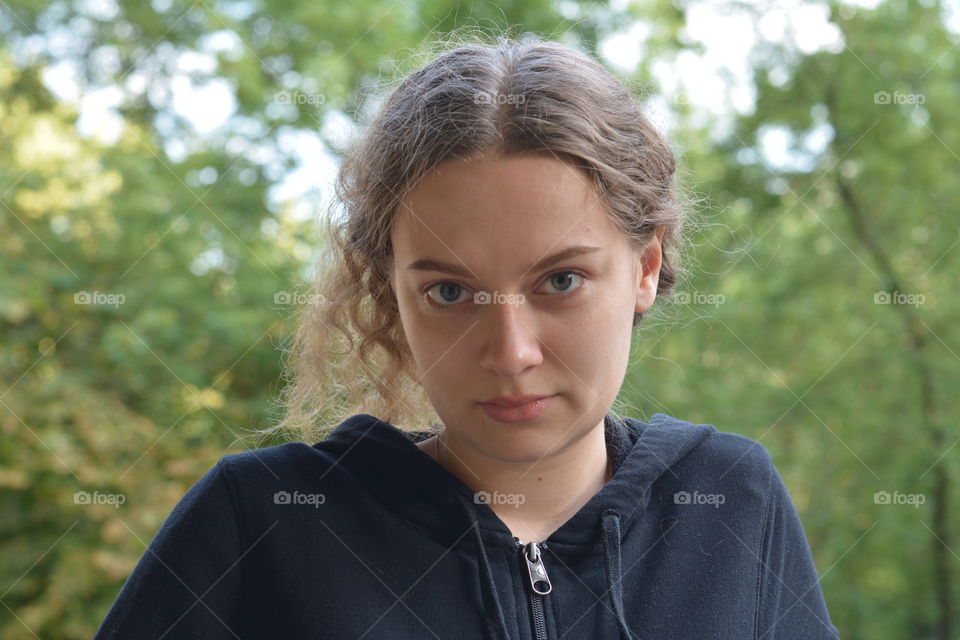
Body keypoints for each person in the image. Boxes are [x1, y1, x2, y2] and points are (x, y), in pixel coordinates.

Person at [94, 34, 840, 639]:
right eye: (450, 292)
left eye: (560, 282)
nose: (510, 352)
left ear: (644, 269)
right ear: (393, 293)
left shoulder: (727, 497)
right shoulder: (262, 520)